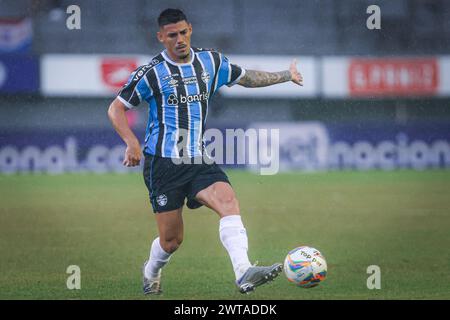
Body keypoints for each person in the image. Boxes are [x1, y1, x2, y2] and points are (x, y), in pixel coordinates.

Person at [107, 8, 303, 295]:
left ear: (190, 30)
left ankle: (243, 272)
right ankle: (151, 270)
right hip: (163, 163)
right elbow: (116, 108)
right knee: (172, 240)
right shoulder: (151, 73)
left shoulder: (210, 61)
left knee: (227, 200)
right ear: (161, 37)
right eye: (172, 35)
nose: (179, 40)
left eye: (183, 32)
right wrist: (131, 142)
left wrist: (286, 75)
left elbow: (247, 77)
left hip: (196, 156)